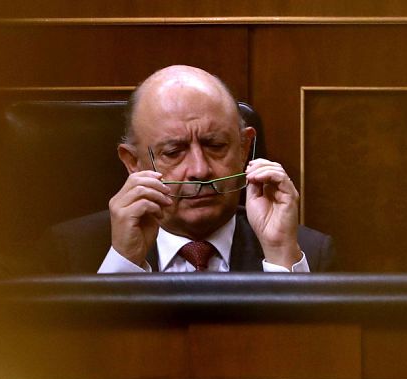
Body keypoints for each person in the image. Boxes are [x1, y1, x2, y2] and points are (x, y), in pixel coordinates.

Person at [43, 65, 334, 273]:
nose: (199, 170)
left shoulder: (308, 252)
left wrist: (280, 255)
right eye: (173, 152)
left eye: (216, 145)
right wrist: (125, 263)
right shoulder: (70, 252)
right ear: (133, 163)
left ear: (244, 149)